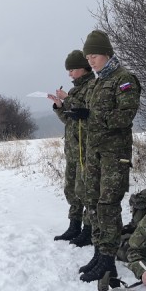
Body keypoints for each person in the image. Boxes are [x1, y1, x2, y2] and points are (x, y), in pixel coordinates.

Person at [77, 30, 141, 282]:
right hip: (95, 152)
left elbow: (125, 115)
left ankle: (108, 259)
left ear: (107, 54)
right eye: (88, 57)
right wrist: (79, 113)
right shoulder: (96, 82)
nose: (90, 61)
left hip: (114, 154)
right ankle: (99, 253)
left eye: (94, 56)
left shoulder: (123, 79)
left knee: (107, 205)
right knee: (92, 202)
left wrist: (93, 117)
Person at [48, 50, 96, 243]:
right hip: (73, 149)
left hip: (86, 149)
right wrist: (60, 106)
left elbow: (87, 114)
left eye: (72, 70)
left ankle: (89, 228)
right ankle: (74, 225)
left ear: (83, 69)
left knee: (85, 191)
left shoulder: (92, 86)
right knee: (71, 189)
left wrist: (67, 98)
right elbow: (70, 120)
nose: (69, 74)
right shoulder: (76, 90)